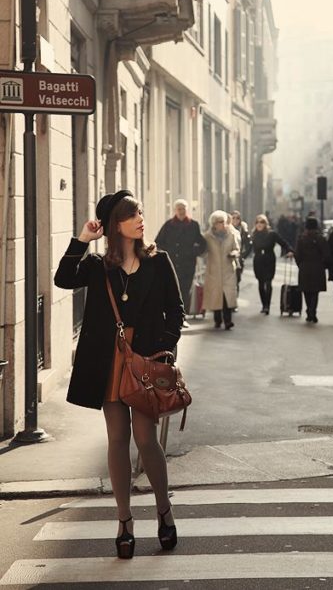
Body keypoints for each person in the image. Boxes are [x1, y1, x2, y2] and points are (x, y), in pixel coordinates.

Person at [54, 190, 184, 559]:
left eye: (141, 211)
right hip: (109, 362)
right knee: (117, 439)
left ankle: (164, 510)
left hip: (144, 361)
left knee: (146, 439)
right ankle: (124, 521)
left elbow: (176, 310)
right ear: (116, 225)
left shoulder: (159, 261)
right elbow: (63, 278)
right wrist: (82, 240)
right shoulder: (98, 266)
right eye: (132, 214)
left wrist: (165, 350)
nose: (141, 218)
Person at [155, 199, 206, 326]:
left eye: (183, 209)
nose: (181, 211)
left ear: (186, 210)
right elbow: (158, 242)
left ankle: (183, 318)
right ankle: (172, 317)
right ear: (175, 211)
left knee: (185, 290)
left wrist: (194, 252)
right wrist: (164, 255)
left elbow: (202, 243)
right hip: (171, 264)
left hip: (187, 265)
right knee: (172, 290)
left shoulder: (193, 225)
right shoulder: (168, 225)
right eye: (179, 209)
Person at [202, 210, 240, 329]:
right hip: (214, 270)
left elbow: (237, 249)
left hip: (228, 269)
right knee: (216, 296)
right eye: (219, 222)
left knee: (227, 296)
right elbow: (203, 252)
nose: (223, 224)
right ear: (214, 224)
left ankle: (228, 321)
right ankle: (217, 319)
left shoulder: (231, 234)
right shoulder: (207, 237)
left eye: (224, 221)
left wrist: (234, 253)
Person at [252, 213, 293, 315]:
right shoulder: (254, 235)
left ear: (266, 224)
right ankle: (263, 304)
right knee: (261, 284)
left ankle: (267, 306)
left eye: (262, 222)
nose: (259, 224)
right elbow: (249, 248)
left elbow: (283, 242)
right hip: (258, 261)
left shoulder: (272, 234)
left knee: (268, 282)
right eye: (257, 222)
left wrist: (290, 250)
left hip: (269, 260)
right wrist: (241, 256)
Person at [295, 217, 330, 323]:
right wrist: (324, 265)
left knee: (306, 291)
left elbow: (297, 255)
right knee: (315, 292)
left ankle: (309, 310)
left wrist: (300, 264)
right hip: (317, 267)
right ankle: (312, 312)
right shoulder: (321, 239)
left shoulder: (301, 239)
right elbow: (327, 254)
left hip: (304, 267)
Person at [230, 210, 252, 296]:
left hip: (239, 258)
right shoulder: (227, 229)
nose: (235, 220)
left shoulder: (243, 230)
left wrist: (243, 256)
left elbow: (249, 245)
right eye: (233, 218)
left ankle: (235, 298)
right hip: (229, 258)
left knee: (237, 279)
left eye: (237, 218)